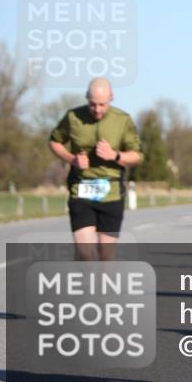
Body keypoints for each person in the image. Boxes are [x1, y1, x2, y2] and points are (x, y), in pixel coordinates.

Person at [48, 78, 143, 261]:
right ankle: (85, 287)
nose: (97, 110)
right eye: (92, 104)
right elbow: (54, 141)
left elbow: (138, 155)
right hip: (81, 190)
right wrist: (72, 159)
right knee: (85, 252)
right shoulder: (73, 117)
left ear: (111, 98)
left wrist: (115, 155)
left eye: (102, 104)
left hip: (112, 193)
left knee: (106, 254)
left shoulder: (122, 120)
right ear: (86, 98)